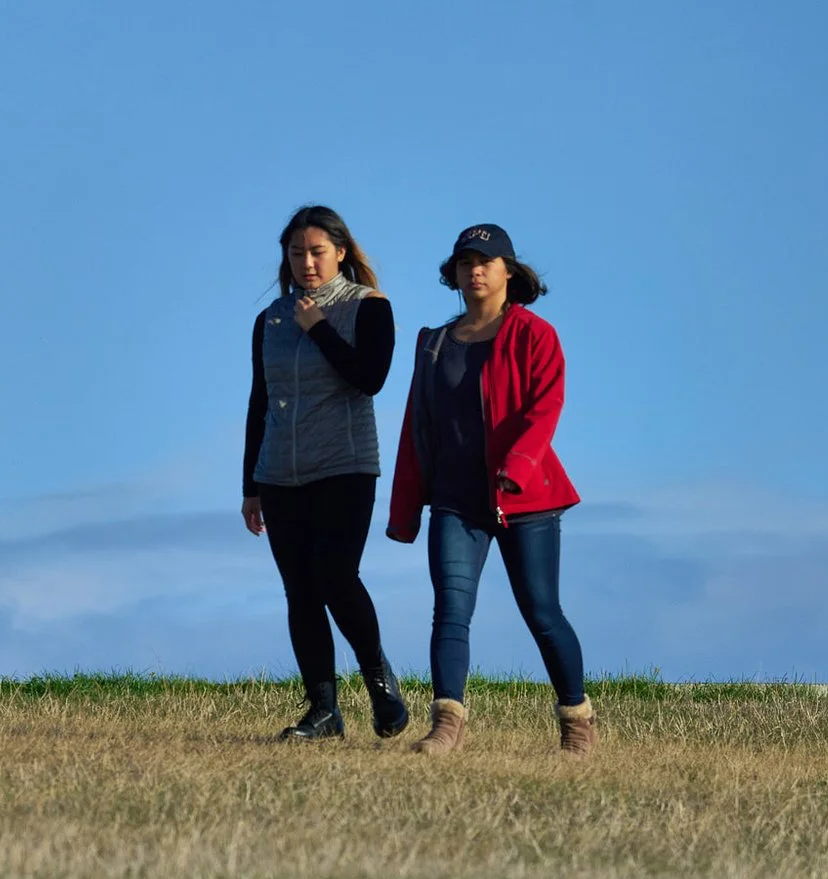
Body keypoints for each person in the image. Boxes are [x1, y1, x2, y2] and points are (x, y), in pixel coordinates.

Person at [386, 224, 595, 755]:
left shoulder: (535, 334)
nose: (474, 271)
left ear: (509, 271)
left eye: (486, 261)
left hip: (527, 498)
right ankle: (446, 726)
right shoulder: (433, 343)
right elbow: (417, 426)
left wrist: (518, 465)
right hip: (456, 501)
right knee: (451, 610)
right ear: (453, 274)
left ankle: (576, 722)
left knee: (542, 612)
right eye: (464, 263)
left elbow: (546, 408)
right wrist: (406, 508)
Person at [243, 205, 408, 741]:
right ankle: (323, 711)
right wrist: (250, 485)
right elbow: (259, 401)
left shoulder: (369, 308)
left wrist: (316, 328)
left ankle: (380, 682)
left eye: (316, 252)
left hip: (345, 465)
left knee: (336, 577)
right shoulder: (268, 321)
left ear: (340, 251)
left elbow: (370, 379)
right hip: (280, 474)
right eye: (296, 254)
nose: (306, 263)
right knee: (300, 591)